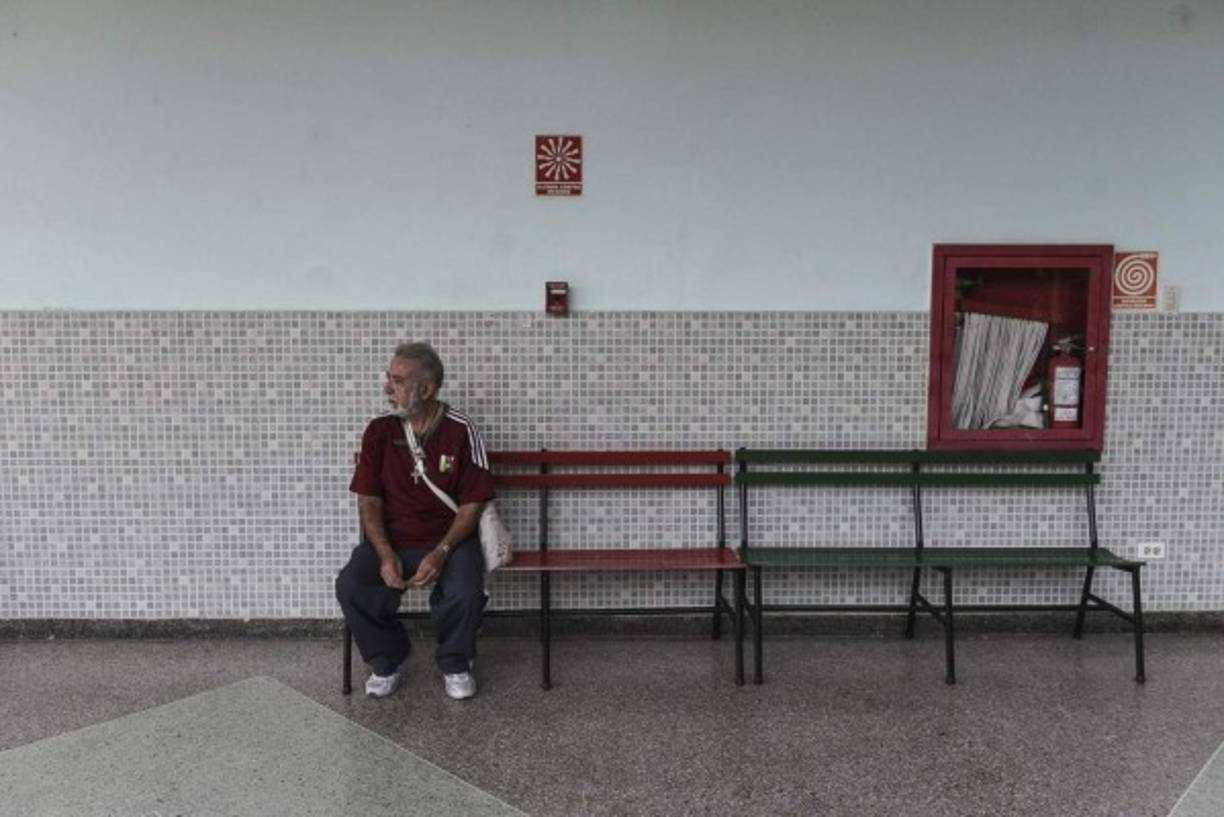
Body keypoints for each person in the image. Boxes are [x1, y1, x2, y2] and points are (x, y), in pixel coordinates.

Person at [335, 342, 493, 700]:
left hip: (450, 539)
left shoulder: (461, 430)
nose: (387, 388)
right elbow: (369, 500)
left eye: (398, 380)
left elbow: (473, 504)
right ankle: (387, 660)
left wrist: (442, 551)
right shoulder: (378, 431)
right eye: (388, 378)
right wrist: (384, 552)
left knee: (465, 592)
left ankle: (455, 662)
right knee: (352, 585)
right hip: (392, 539)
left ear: (426, 388)